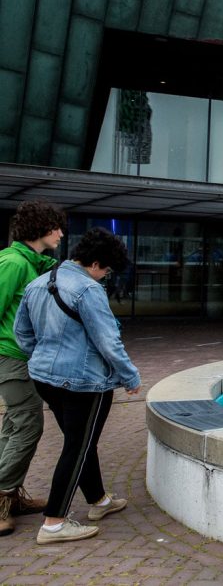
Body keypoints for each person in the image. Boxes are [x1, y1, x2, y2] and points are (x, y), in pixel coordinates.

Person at [15, 227, 141, 544]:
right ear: (96, 263)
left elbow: (22, 334)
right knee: (77, 447)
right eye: (107, 270)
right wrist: (130, 376)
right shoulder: (88, 290)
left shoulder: (38, 283)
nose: (106, 276)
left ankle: (98, 500)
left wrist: (43, 359)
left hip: (45, 379)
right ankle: (54, 523)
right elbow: (108, 342)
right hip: (85, 384)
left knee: (80, 441)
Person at [0, 200, 65, 537]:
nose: (61, 233)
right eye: (56, 227)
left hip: (21, 357)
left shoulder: (31, 264)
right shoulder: (12, 263)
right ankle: (1, 495)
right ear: (41, 228)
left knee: (14, 425)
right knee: (28, 426)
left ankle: (9, 495)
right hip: (11, 356)